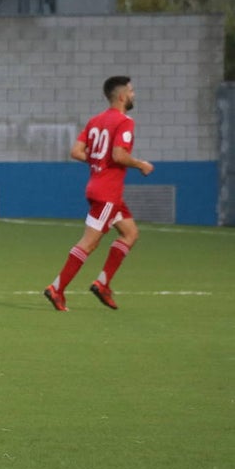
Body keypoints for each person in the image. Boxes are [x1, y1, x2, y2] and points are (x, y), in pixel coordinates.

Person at [44, 75, 154, 312]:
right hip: (107, 194)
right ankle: (57, 288)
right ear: (122, 96)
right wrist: (141, 164)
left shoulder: (95, 121)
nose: (134, 95)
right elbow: (118, 155)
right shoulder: (125, 121)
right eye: (132, 91)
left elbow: (76, 151)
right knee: (89, 243)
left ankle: (102, 283)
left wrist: (97, 161)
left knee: (130, 233)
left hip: (102, 190)